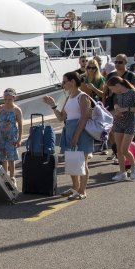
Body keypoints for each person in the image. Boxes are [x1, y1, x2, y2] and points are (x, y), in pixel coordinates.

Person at [43, 72, 94, 200]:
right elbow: (61, 117)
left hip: (81, 132)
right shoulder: (69, 97)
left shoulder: (82, 97)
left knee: (82, 162)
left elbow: (84, 118)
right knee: (71, 161)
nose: (62, 84)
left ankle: (82, 190)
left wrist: (76, 136)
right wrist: (53, 105)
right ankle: (75, 187)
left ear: (72, 82)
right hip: (69, 131)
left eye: (64, 81)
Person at [107, 75, 135, 181]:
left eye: (112, 88)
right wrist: (117, 109)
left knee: (124, 149)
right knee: (118, 150)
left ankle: (134, 165)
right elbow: (115, 106)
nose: (112, 91)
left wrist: (125, 109)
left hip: (130, 123)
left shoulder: (132, 92)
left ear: (117, 85)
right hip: (119, 122)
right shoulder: (118, 95)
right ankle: (122, 172)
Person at [0, 88, 22, 186]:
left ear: (14, 98)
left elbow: (21, 125)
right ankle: (5, 176)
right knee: (2, 157)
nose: (7, 101)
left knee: (11, 157)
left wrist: (19, 139)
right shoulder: (0, 108)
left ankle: (12, 177)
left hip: (11, 136)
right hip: (1, 135)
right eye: (5, 99)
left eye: (9, 99)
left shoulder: (17, 110)